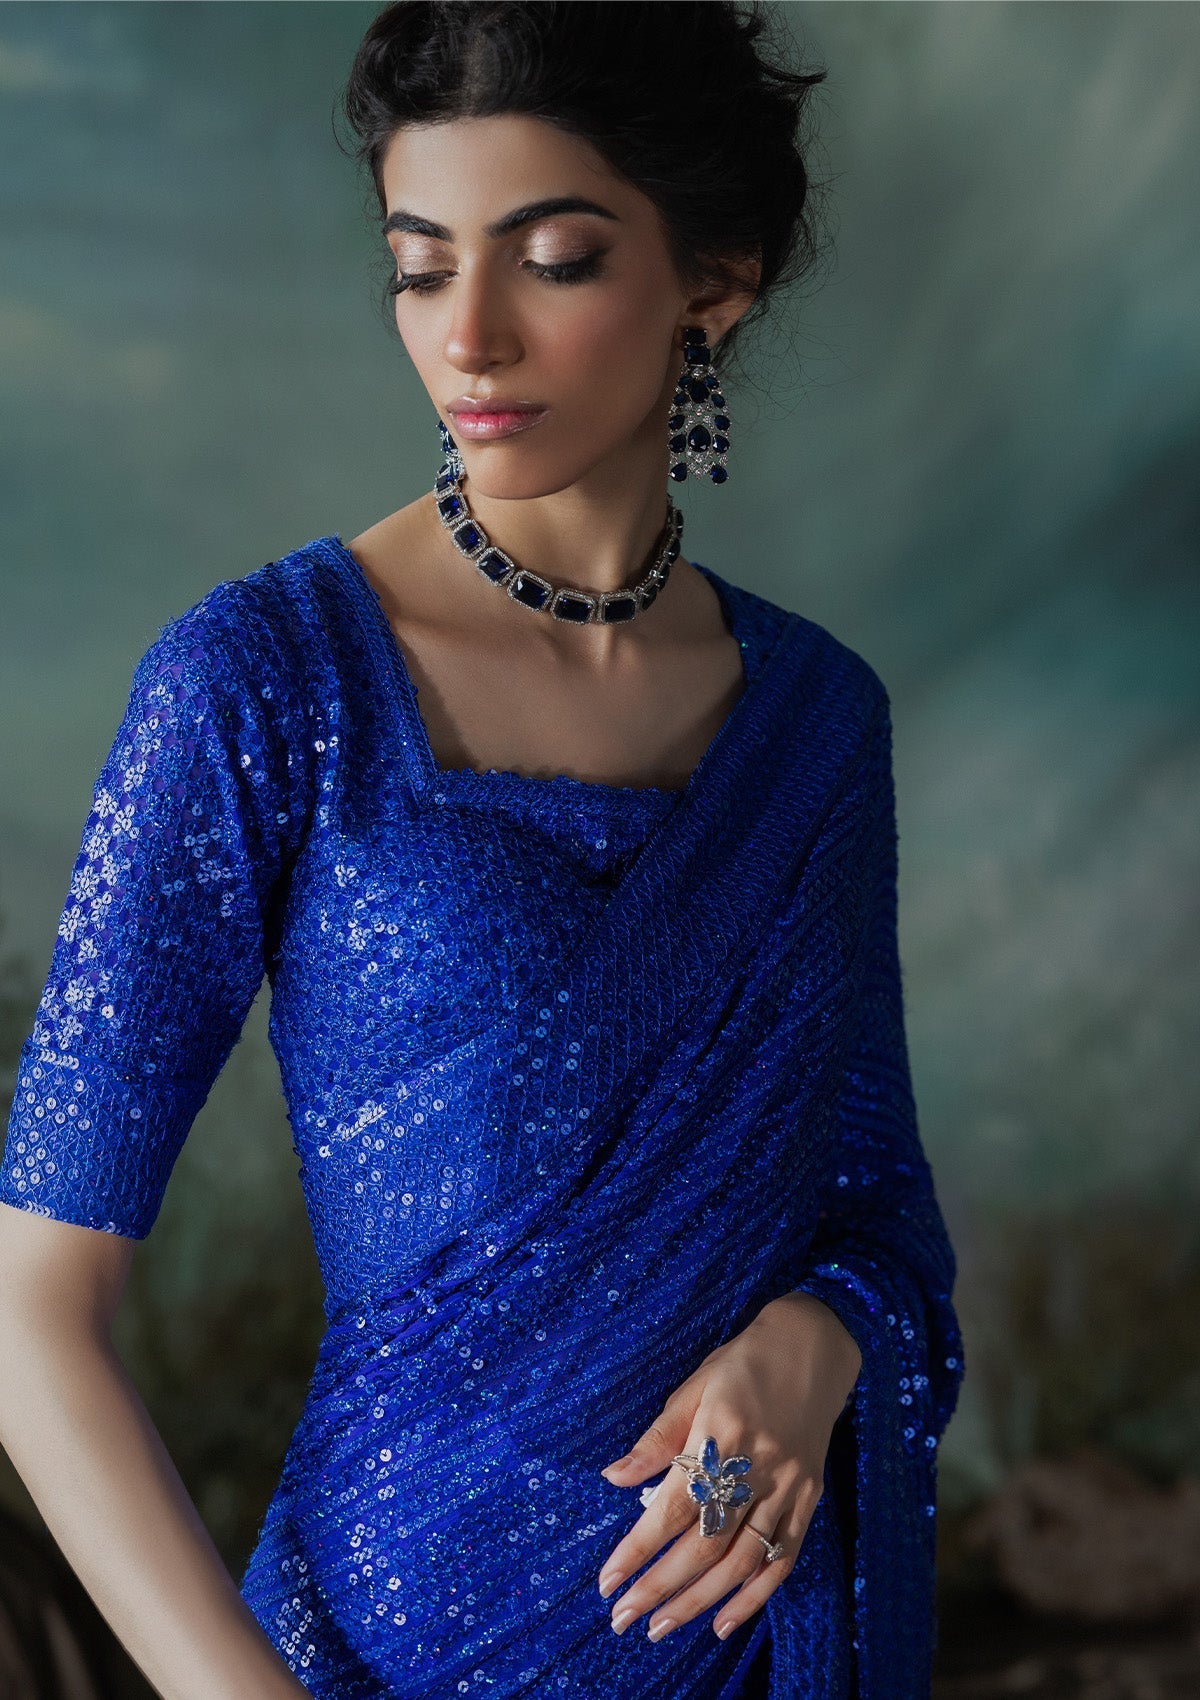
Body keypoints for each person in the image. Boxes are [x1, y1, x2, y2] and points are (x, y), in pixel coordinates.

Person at [0, 4, 965, 1697]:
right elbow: (30, 1318)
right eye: (420, 267)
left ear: (715, 281)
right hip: (380, 1651)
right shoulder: (265, 683)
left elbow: (879, 1216)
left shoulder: (818, 729)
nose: (470, 337)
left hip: (742, 1651)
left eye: (556, 260)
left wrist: (815, 1349)